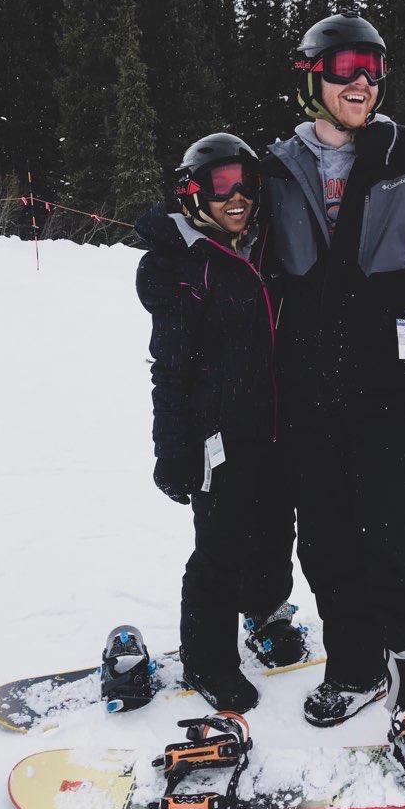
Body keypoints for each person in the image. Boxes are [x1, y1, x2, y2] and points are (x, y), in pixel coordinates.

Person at [261, 12, 405, 802]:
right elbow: (228, 245)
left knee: (404, 543)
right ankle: (355, 667)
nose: (361, 81)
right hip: (311, 398)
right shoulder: (275, 169)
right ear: (310, 74)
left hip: (392, 394)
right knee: (326, 541)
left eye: (373, 68)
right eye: (345, 66)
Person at [135, 133, 308, 714]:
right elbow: (170, 370)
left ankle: (264, 613)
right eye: (220, 186)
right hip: (217, 438)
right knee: (220, 547)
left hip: (277, 427)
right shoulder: (185, 267)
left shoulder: (266, 248)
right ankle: (208, 660)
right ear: (193, 194)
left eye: (246, 184)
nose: (236, 197)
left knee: (275, 535)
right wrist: (173, 448)